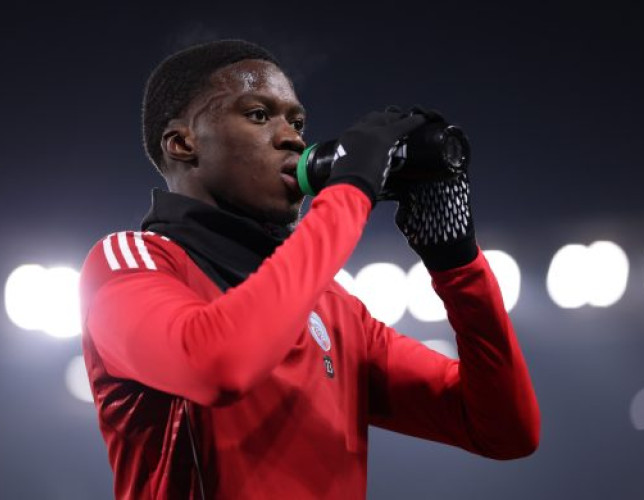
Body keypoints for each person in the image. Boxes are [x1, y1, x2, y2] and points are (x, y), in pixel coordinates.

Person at [79, 39, 540, 500]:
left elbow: (505, 429)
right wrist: (350, 192)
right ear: (183, 144)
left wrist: (458, 265)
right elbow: (218, 364)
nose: (293, 138)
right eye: (259, 114)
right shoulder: (130, 262)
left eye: (297, 122)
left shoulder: (334, 307)